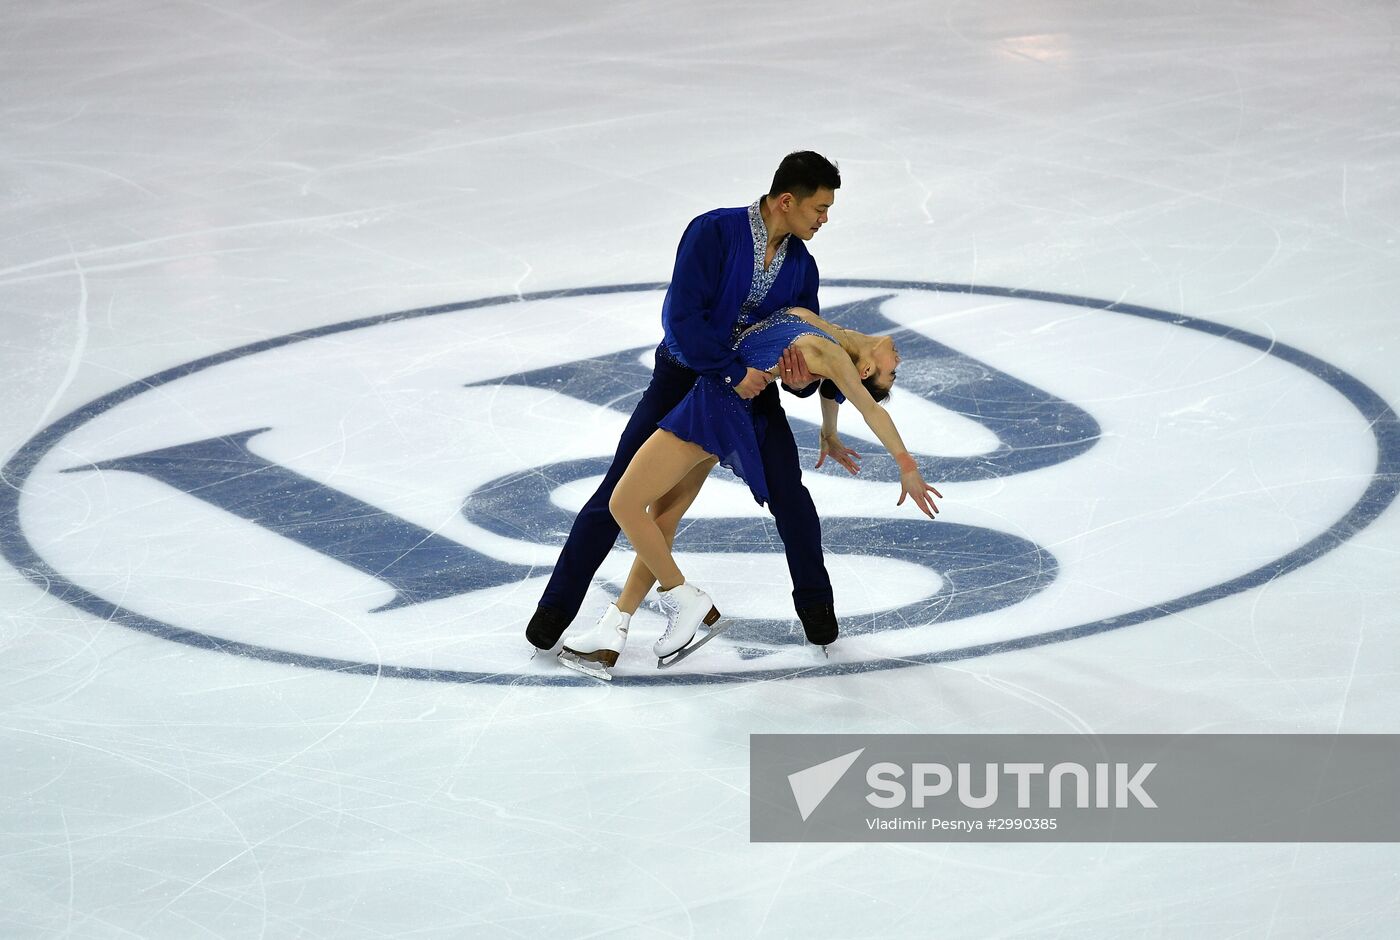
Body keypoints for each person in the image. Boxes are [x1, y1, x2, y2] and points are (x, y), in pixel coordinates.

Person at [526, 152, 844, 657]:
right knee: (619, 491)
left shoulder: (802, 268)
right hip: (683, 379)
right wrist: (731, 371)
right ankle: (555, 610)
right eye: (819, 209)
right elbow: (682, 318)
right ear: (787, 200)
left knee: (791, 494)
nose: (825, 219)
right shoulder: (714, 233)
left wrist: (801, 382)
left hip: (750, 396)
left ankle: (817, 607)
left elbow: (801, 344)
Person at [557, 308, 941, 677]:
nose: (899, 363)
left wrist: (907, 466)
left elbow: (870, 409)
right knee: (663, 517)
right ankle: (613, 629)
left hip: (713, 410)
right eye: (896, 373)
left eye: (892, 374)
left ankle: (683, 597)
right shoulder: (827, 333)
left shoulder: (832, 354)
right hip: (722, 406)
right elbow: (834, 391)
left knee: (622, 503)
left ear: (867, 370)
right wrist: (829, 431)